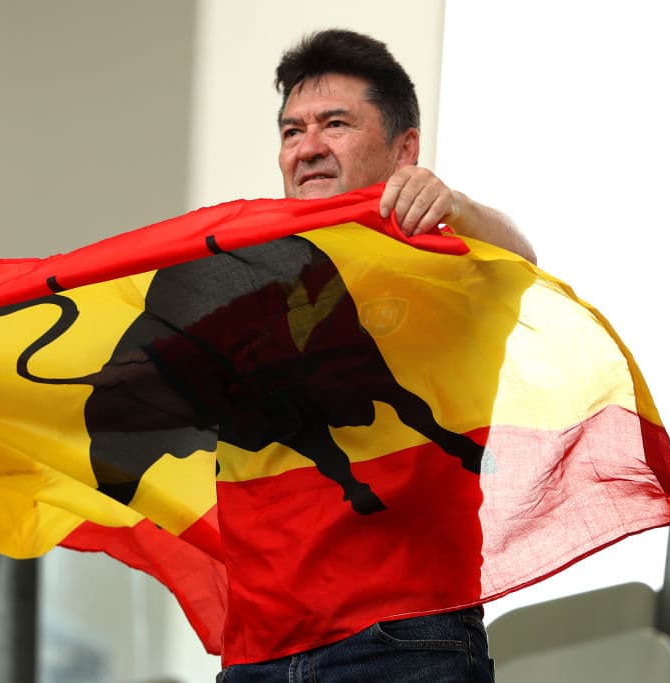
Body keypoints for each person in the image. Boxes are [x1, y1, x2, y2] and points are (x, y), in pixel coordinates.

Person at [214, 30, 535, 682]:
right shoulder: (244, 289)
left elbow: (520, 260)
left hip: (400, 642)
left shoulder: (439, 261)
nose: (308, 147)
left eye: (335, 124)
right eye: (292, 131)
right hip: (256, 654)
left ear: (405, 148)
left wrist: (456, 205)